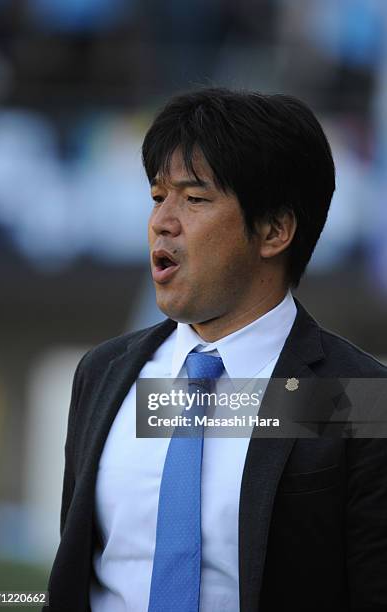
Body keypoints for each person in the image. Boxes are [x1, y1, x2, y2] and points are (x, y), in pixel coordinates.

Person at [46, 88, 387, 612]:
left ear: (274, 229)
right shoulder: (104, 373)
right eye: (159, 196)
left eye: (195, 198)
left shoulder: (358, 396)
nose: (163, 220)